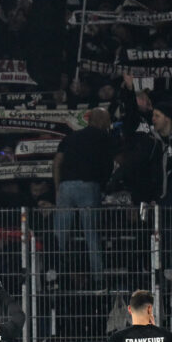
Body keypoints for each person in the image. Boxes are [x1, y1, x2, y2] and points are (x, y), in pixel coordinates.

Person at [52, 107, 112, 274]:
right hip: (89, 186)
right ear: (101, 121)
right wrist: (104, 185)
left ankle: (57, 274)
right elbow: (109, 164)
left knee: (60, 234)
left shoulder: (71, 138)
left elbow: (57, 162)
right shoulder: (104, 137)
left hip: (66, 186)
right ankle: (97, 278)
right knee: (91, 234)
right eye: (107, 119)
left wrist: (58, 187)